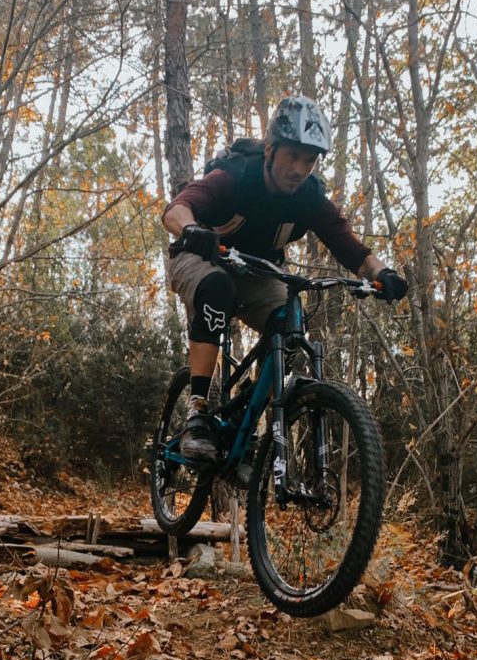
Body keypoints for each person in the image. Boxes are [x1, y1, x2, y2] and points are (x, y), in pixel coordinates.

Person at [161, 95, 408, 462]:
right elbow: (176, 209)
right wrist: (192, 229)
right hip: (199, 256)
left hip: (257, 270)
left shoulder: (308, 200)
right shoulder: (234, 177)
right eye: (292, 155)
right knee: (216, 289)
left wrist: (381, 273)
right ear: (270, 150)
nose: (299, 168)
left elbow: (350, 248)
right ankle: (197, 411)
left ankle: (246, 423)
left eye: (308, 160)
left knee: (290, 323)